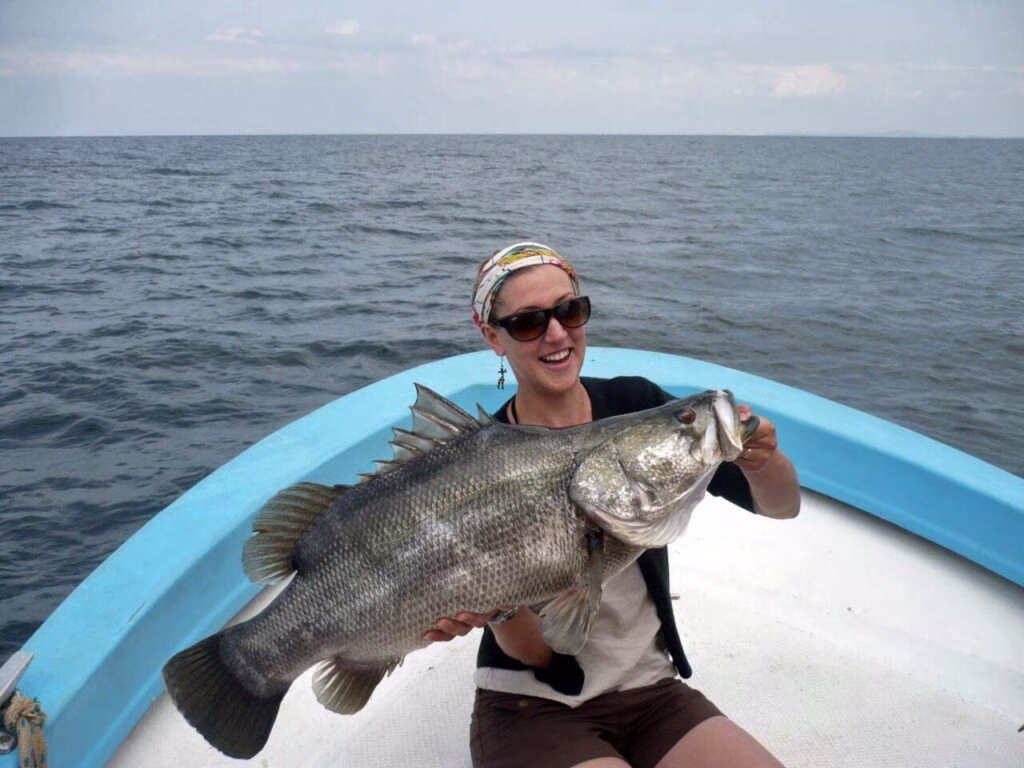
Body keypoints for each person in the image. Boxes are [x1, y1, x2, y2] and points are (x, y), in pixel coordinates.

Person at [424, 242, 801, 768]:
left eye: (569, 311)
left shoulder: (637, 405)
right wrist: (499, 609)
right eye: (529, 322)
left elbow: (782, 507)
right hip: (532, 705)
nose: (557, 334)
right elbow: (541, 655)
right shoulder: (481, 463)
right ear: (493, 336)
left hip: (652, 693)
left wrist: (763, 461)